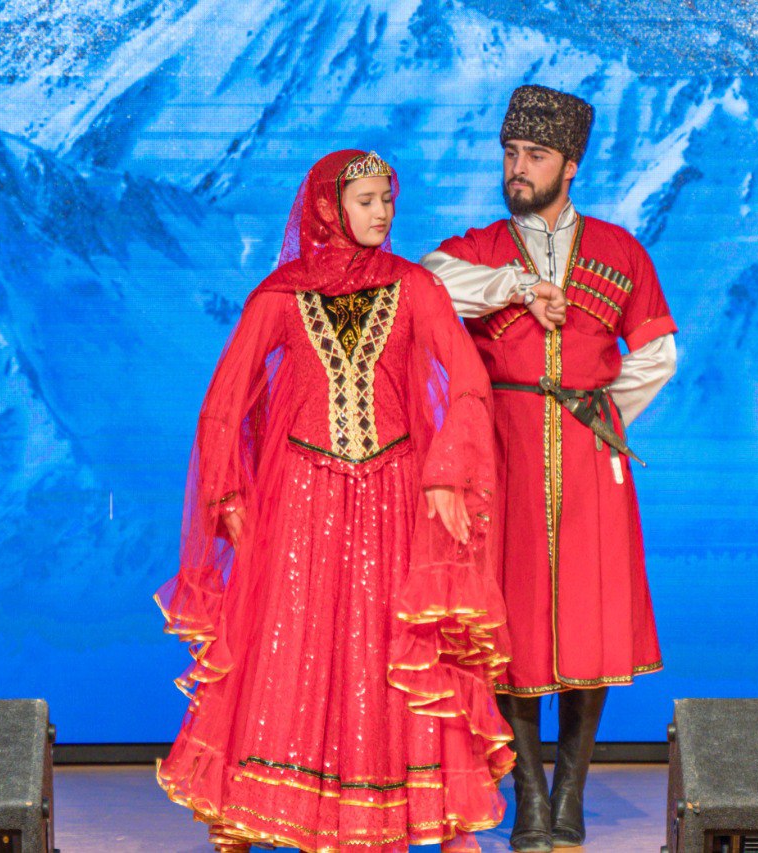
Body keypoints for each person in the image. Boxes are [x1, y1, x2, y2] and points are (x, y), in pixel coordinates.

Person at [155, 149, 514, 852]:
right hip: (302, 498)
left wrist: (446, 473)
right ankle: (253, 807)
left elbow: (470, 381)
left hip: (394, 494)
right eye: (367, 200)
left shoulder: (415, 287)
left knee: (391, 645)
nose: (382, 212)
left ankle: (416, 810)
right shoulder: (282, 294)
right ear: (329, 208)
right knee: (292, 639)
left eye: (388, 199)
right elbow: (225, 401)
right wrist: (227, 491)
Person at [422, 85, 678, 852]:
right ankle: (530, 794)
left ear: (570, 165)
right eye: (510, 153)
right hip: (502, 451)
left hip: (588, 451)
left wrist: (600, 413)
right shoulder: (479, 249)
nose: (518, 168)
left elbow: (659, 352)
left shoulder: (621, 251)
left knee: (589, 617)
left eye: (534, 155)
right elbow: (429, 284)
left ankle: (571, 792)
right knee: (511, 618)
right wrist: (514, 286)